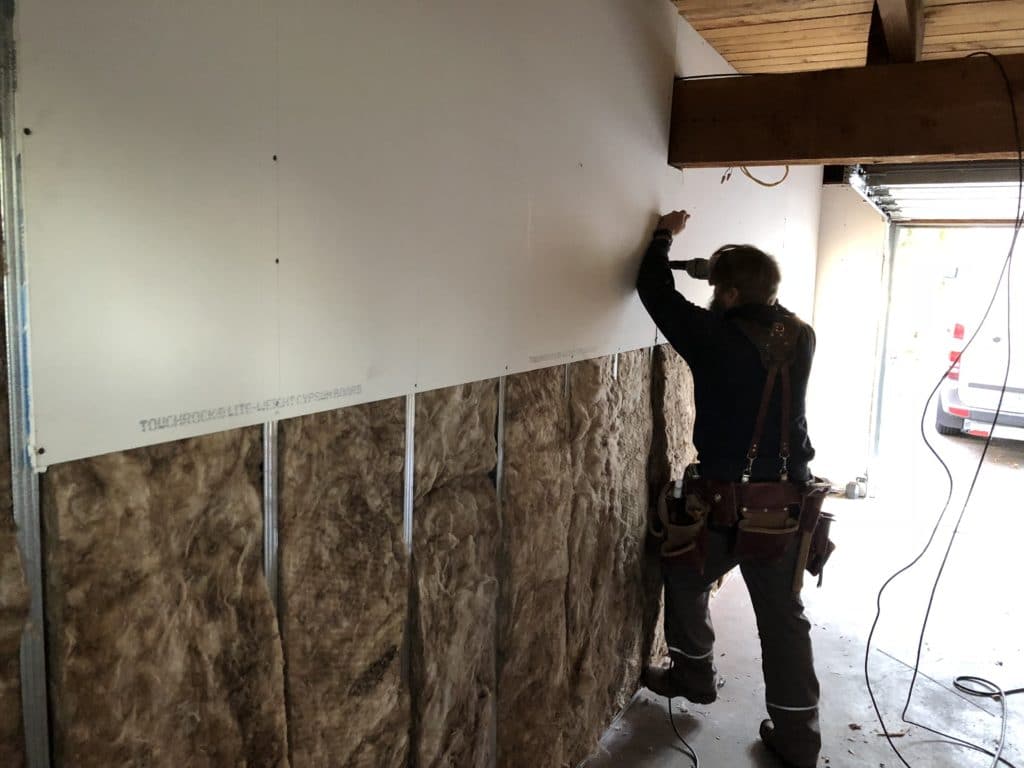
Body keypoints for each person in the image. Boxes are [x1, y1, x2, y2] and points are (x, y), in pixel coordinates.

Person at [635, 209, 823, 768]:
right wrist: (716, 271)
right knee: (783, 618)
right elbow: (764, 320)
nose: (713, 295)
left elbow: (654, 290)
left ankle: (694, 673)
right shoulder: (802, 336)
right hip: (786, 504)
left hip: (725, 504)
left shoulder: (715, 337)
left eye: (718, 287)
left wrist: (663, 237)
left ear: (733, 293)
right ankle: (798, 739)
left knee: (684, 571)